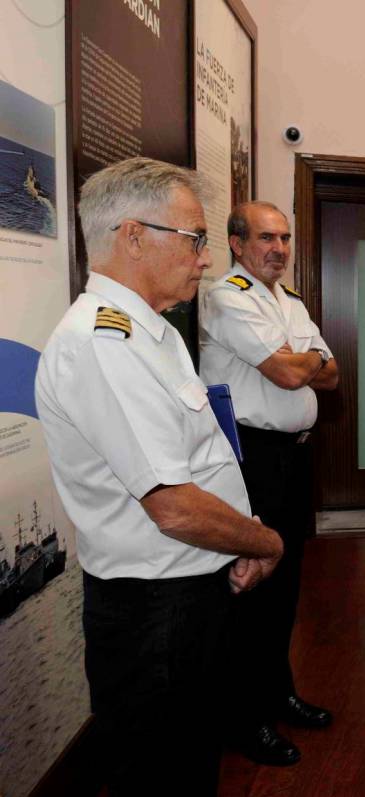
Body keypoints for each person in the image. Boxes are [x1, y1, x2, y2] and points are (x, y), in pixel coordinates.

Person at [35, 158, 283, 795]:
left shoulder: (155, 333)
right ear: (133, 236)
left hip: (186, 595)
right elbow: (172, 506)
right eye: (196, 238)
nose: (206, 258)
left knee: (190, 762)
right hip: (154, 613)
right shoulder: (103, 342)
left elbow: (195, 460)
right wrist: (264, 541)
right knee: (160, 772)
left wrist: (238, 535)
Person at [199, 201, 338, 765]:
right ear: (236, 243)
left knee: (286, 587)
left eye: (284, 238)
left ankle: (277, 693)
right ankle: (243, 718)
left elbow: (330, 374)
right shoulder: (226, 297)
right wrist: (302, 358)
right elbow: (290, 371)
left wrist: (299, 359)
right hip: (248, 460)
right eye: (265, 238)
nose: (278, 248)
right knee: (250, 587)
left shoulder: (289, 300)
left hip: (293, 459)